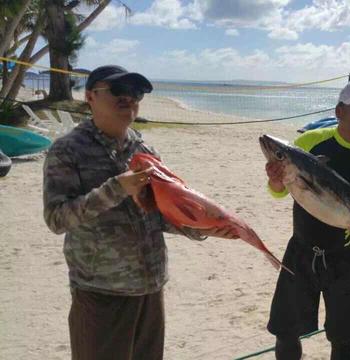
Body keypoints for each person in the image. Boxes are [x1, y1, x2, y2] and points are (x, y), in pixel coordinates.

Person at [42, 65, 237, 360]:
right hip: (102, 294)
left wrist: (199, 228)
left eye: (136, 93)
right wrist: (115, 189)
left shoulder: (144, 150)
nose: (128, 99)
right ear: (90, 96)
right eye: (118, 91)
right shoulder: (67, 151)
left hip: (150, 289)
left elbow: (158, 214)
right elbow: (57, 219)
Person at [264, 80, 350, 360]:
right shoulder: (308, 144)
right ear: (339, 112)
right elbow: (278, 193)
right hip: (302, 250)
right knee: (286, 330)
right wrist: (276, 182)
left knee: (343, 338)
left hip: (347, 257)